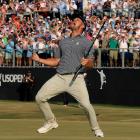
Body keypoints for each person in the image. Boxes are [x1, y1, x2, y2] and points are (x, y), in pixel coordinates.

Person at [32, 17, 104, 137]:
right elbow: (56, 61)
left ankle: (96, 128)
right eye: (73, 19)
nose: (73, 20)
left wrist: (87, 63)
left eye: (77, 20)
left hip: (77, 79)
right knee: (39, 97)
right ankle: (51, 122)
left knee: (87, 106)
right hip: (60, 77)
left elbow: (91, 63)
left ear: (82, 27)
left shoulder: (87, 42)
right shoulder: (63, 42)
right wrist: (40, 59)